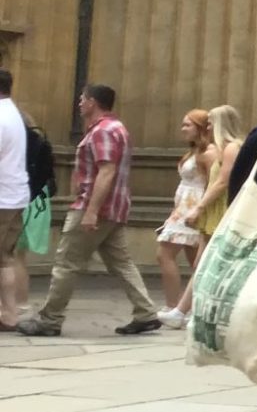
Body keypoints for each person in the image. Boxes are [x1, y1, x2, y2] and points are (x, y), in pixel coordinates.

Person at [16, 84, 160, 338]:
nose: (79, 103)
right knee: (121, 262)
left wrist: (91, 210)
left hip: (94, 207)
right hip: (114, 208)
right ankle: (146, 312)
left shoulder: (103, 131)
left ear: (93, 102)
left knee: (66, 263)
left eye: (83, 99)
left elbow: (107, 170)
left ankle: (50, 319)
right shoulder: (116, 129)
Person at [161, 105, 245, 329]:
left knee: (207, 263)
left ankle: (185, 311)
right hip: (212, 211)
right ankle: (186, 311)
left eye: (210, 124)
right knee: (201, 262)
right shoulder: (223, 149)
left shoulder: (230, 149)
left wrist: (199, 207)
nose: (207, 127)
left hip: (218, 211)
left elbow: (222, 182)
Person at [154, 108, 214, 315]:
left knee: (165, 253)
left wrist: (201, 210)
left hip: (192, 208)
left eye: (187, 125)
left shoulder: (208, 154)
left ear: (200, 128)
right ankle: (191, 308)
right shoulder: (194, 152)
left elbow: (213, 183)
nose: (183, 129)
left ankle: (175, 306)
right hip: (182, 208)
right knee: (195, 262)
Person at [0, 69, 27, 331]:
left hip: (2, 198)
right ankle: (9, 313)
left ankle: (8, 313)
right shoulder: (13, 112)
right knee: (5, 257)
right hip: (15, 195)